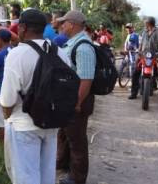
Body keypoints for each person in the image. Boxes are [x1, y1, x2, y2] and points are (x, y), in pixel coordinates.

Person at [0, 9, 71, 184]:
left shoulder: (17, 54)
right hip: (52, 123)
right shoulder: (60, 53)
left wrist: (7, 116)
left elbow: (7, 101)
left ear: (23, 28)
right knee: (46, 176)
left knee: (26, 177)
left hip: (23, 125)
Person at [57, 10, 96, 184]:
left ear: (72, 24)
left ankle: (77, 178)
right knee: (66, 135)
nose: (61, 25)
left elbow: (86, 80)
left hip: (77, 101)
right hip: (70, 100)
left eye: (64, 23)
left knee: (77, 141)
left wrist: (77, 103)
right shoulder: (74, 43)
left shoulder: (83, 47)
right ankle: (64, 166)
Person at [128, 17, 158, 104]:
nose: (145, 24)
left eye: (146, 23)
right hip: (144, 56)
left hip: (155, 56)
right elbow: (141, 44)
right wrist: (138, 51)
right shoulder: (144, 32)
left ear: (149, 23)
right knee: (136, 73)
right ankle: (133, 93)